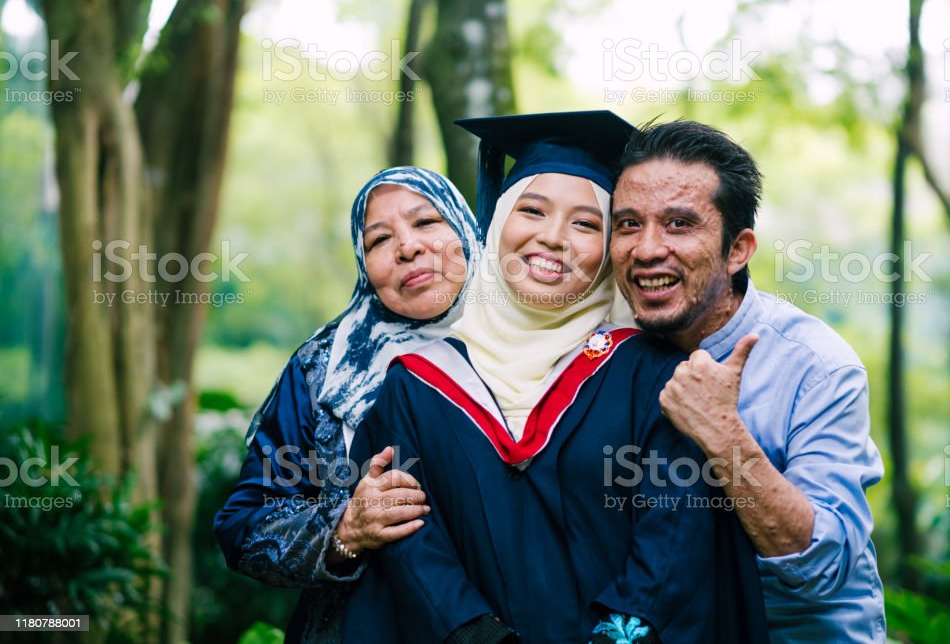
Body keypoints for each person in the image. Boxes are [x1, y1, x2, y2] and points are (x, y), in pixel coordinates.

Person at [341, 111, 768, 644]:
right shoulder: (415, 382)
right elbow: (407, 533)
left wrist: (618, 635)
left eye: (587, 224)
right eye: (532, 211)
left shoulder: (652, 374)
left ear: (611, 250)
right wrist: (475, 635)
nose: (553, 238)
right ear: (496, 224)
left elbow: (676, 528)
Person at [609, 120, 886, 642]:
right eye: (627, 224)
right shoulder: (605, 356)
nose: (646, 249)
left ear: (738, 250)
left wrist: (722, 433)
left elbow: (821, 570)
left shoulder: (818, 368)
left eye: (678, 224)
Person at [214, 166, 482, 642]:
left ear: (465, 228)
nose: (407, 247)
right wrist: (344, 531)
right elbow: (243, 527)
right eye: (379, 240)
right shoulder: (326, 369)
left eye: (426, 223)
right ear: (363, 263)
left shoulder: (530, 344)